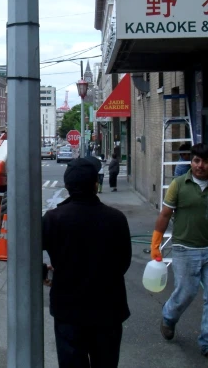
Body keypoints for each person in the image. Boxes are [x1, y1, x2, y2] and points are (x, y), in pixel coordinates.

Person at [150, 143, 208, 364]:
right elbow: (165, 214)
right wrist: (156, 242)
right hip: (184, 248)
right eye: (196, 160)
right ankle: (169, 316)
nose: (200, 166)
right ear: (191, 161)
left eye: (205, 161)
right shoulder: (179, 184)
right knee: (186, 292)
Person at [43, 157, 132, 367]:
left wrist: (44, 273)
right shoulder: (116, 218)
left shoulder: (53, 219)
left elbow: (28, 253)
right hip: (108, 309)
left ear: (67, 186)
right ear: (95, 184)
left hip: (68, 309)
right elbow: (124, 262)